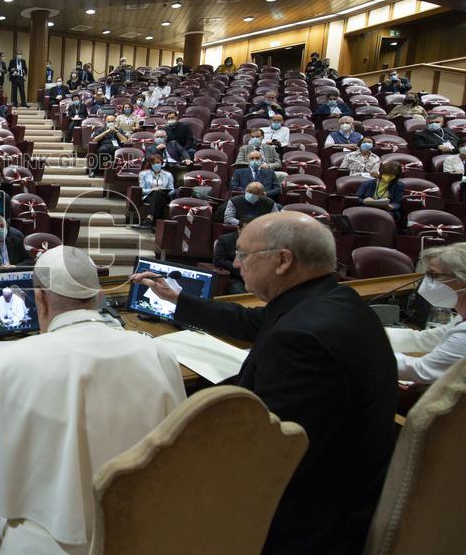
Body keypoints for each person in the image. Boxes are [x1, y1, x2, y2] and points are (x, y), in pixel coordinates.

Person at [132, 211, 397, 554]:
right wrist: (177, 299)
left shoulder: (302, 339)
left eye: (243, 255)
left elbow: (266, 457)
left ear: (283, 261)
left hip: (311, 524)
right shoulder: (331, 300)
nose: (237, 266)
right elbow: (250, 322)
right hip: (344, 481)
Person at [0, 245, 185, 554]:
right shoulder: (158, 354)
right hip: (138, 531)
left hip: (43, 541)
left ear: (40, 298)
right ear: (99, 298)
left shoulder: (6, 364)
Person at [386, 244, 466, 384]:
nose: (426, 281)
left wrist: (369, 351)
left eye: (433, 275)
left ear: (462, 281)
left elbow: (422, 370)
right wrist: (374, 333)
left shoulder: (463, 335)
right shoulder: (461, 318)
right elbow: (424, 339)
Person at [137, 154, 176, 228]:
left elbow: (172, 190)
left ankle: (150, 218)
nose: (156, 165)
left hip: (165, 196)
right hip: (149, 196)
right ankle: (160, 223)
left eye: (158, 163)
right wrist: (152, 190)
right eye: (153, 163)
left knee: (159, 193)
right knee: (157, 194)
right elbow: (141, 190)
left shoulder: (168, 175)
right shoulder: (143, 174)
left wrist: (163, 190)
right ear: (150, 164)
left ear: (162, 163)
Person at [213, 219, 248, 294]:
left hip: (254, 276)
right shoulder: (225, 239)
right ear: (239, 229)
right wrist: (238, 268)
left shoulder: (258, 241)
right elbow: (218, 260)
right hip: (235, 276)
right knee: (239, 292)